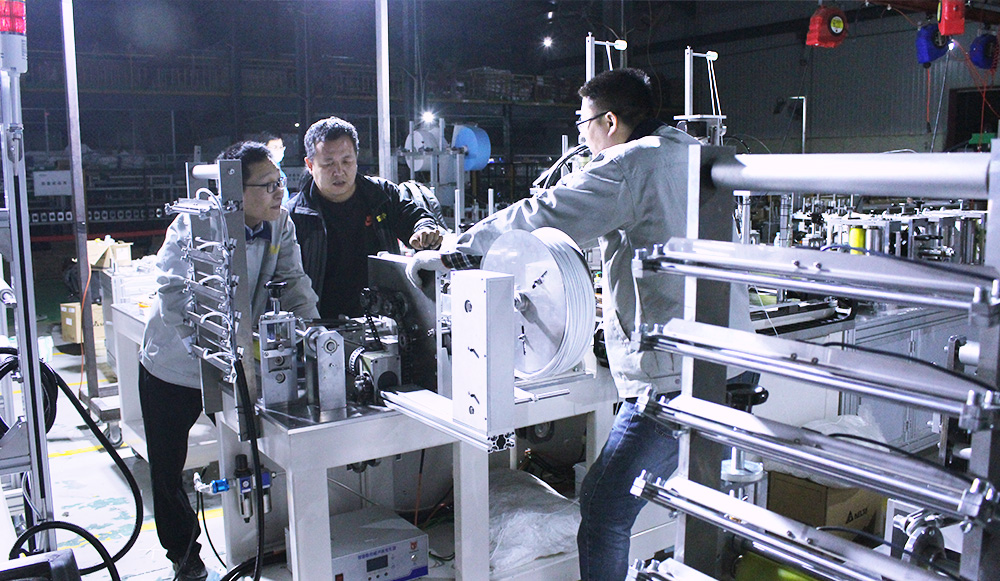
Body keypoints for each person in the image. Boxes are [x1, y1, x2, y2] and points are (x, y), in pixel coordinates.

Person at [407, 68, 749, 580]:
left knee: (603, 511)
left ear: (609, 122)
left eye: (584, 124)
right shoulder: (692, 151)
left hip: (676, 380)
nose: (583, 138)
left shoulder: (630, 164)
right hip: (732, 359)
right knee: (686, 503)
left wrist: (457, 249)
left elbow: (544, 214)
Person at [139, 141, 319, 581]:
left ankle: (265, 537)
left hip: (237, 360)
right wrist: (212, 350)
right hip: (175, 363)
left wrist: (315, 332)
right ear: (236, 191)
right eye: (268, 185)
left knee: (253, 444)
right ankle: (183, 553)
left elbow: (293, 280)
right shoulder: (194, 224)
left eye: (281, 182)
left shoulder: (279, 222)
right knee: (168, 466)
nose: (280, 192)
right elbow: (173, 294)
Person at [285, 116, 443, 319]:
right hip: (321, 326)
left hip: (383, 322)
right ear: (310, 164)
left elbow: (414, 216)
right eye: (328, 164)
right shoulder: (295, 216)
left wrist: (424, 229)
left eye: (347, 161)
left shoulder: (381, 195)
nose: (339, 171)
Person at [260, 132, 290, 204]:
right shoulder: (262, 172)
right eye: (274, 147)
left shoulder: (280, 172)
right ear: (265, 148)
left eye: (281, 147)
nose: (279, 150)